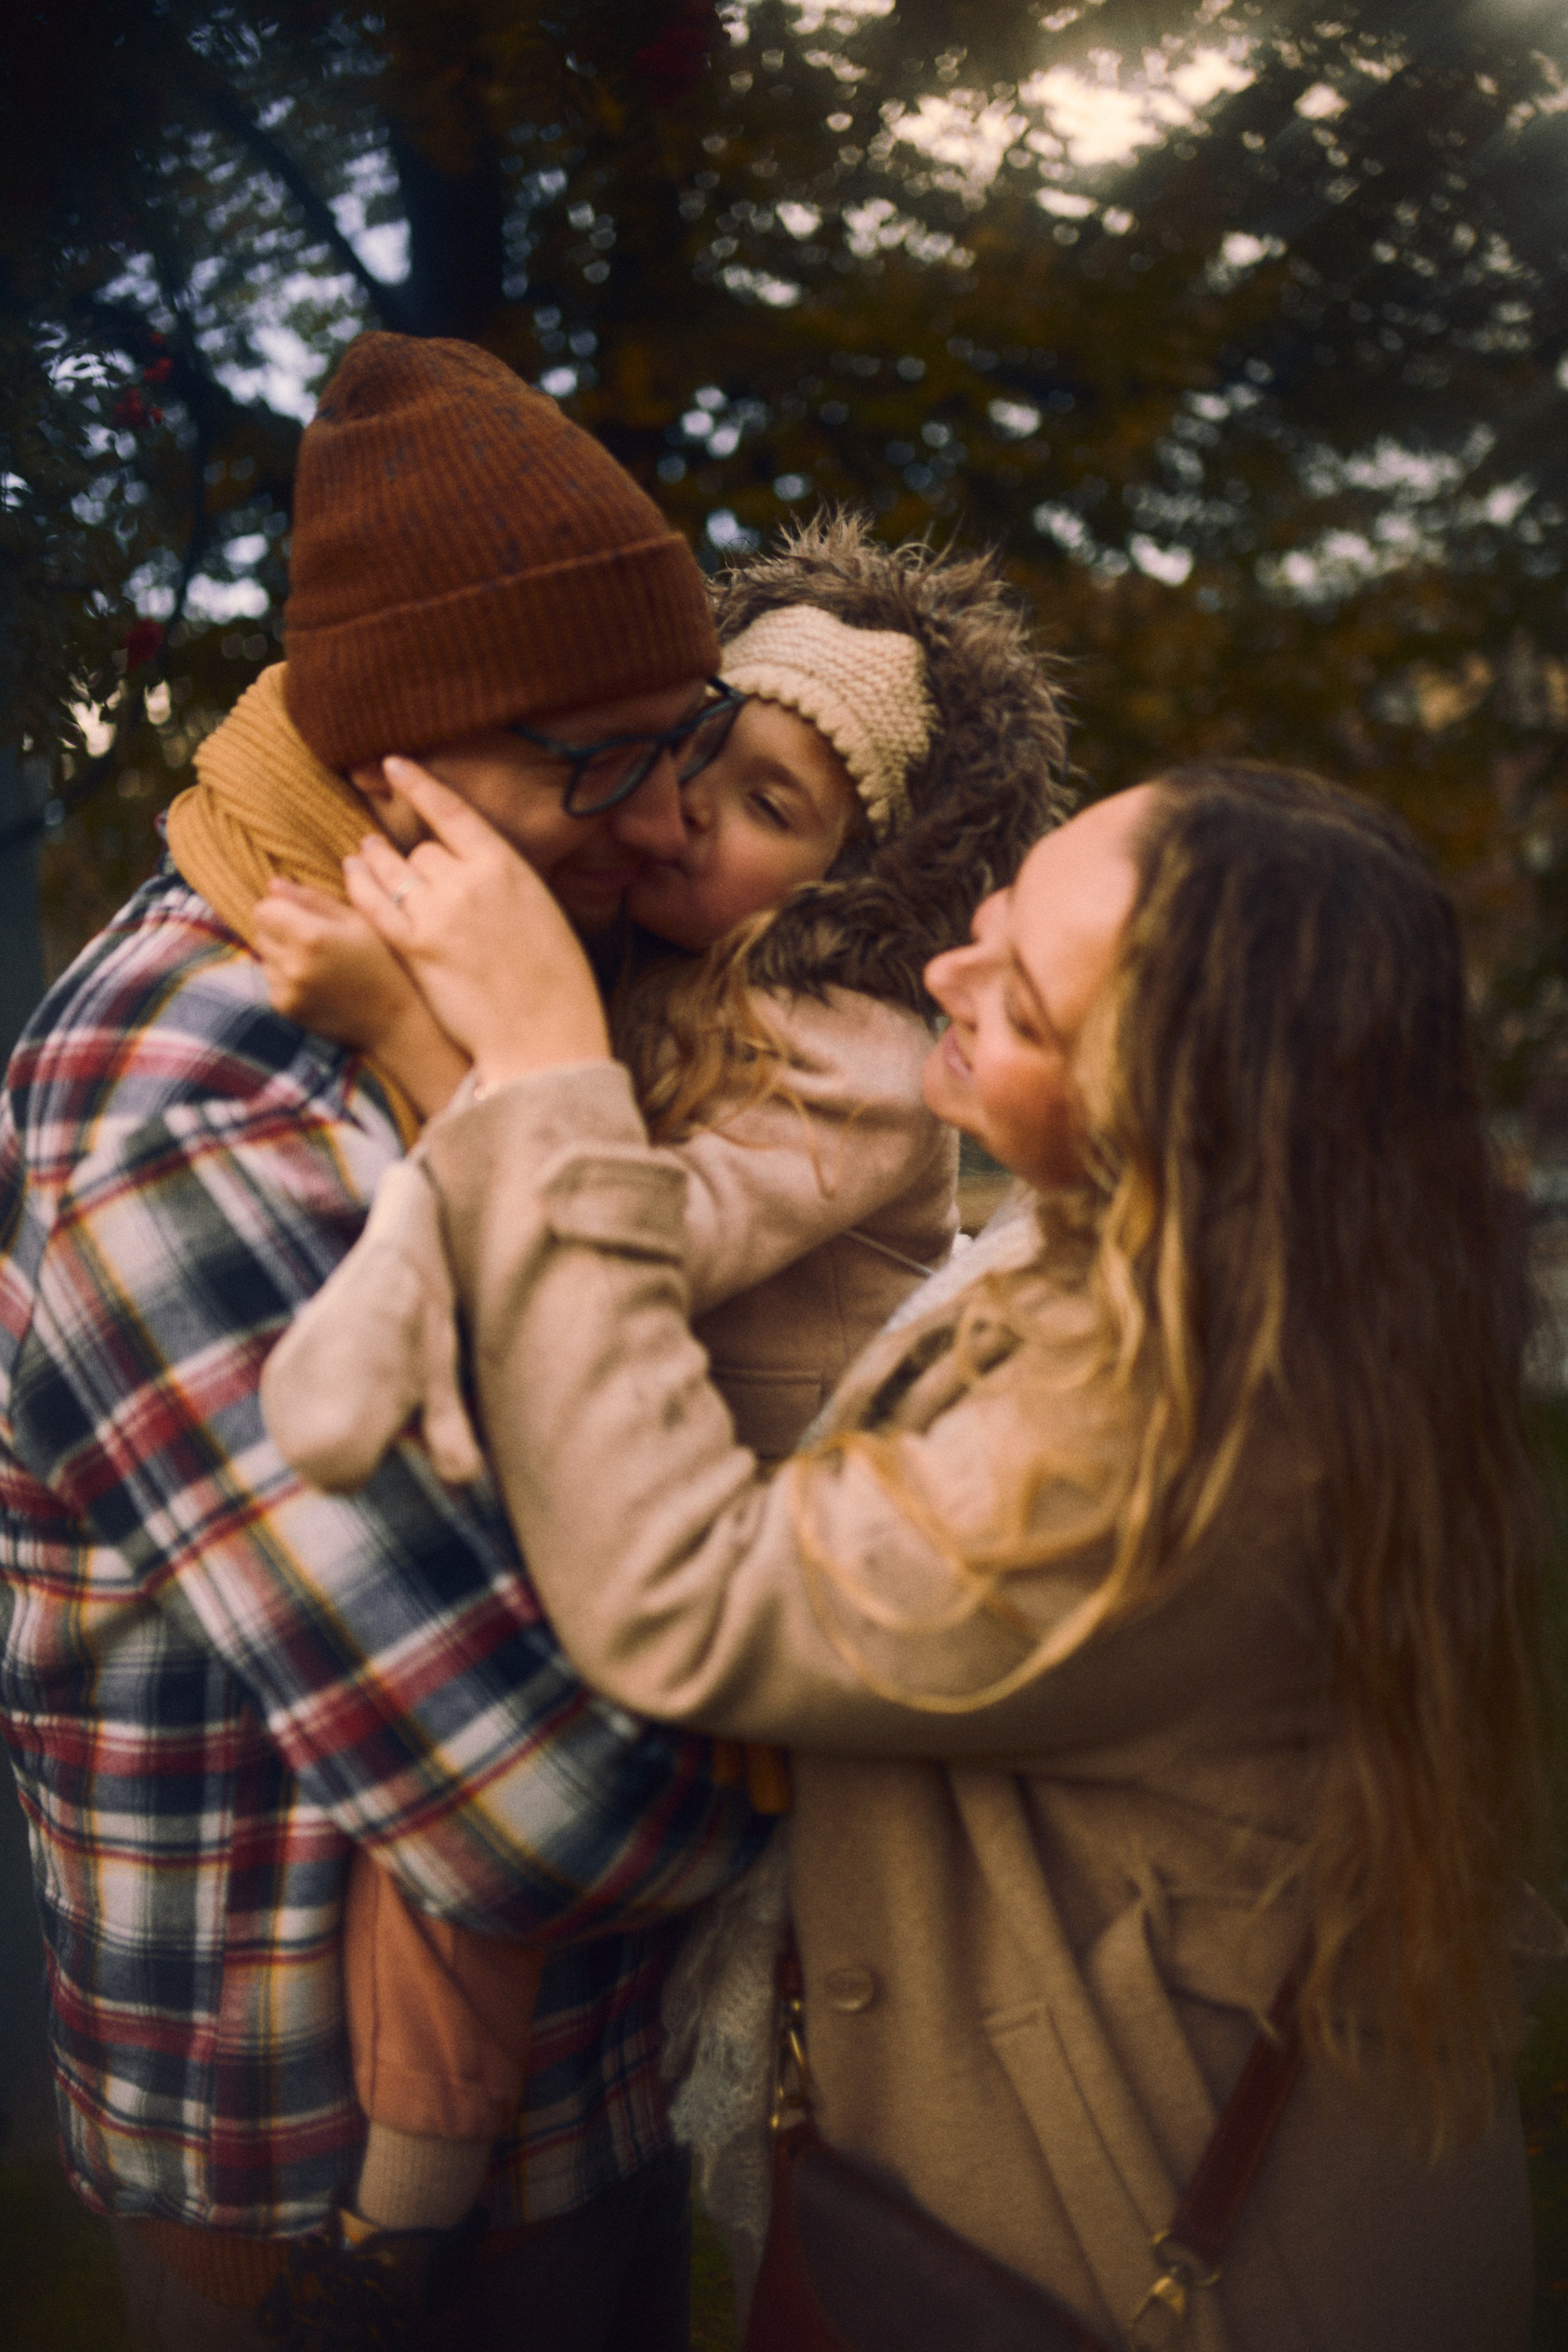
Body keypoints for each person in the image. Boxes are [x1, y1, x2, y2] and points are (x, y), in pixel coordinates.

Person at [337, 754, 1554, 2349]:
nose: (943, 972)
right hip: (1014, 2203)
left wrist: (551, 1064)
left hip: (1126, 2263)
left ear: (1189, 1114)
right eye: (994, 916)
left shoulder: (1198, 1442)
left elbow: (686, 1602)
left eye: (1033, 1009)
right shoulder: (1245, 1255)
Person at [0, 328, 777, 2352]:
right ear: (388, 771)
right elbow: (541, 1806)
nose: (660, 820)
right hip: (318, 2218)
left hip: (569, 2130)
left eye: (681, 738)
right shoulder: (204, 1092)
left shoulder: (518, 979)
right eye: (590, 764)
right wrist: (835, 1722)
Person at [252, 511, 1071, 2278]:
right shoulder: (657, 975)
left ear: (864, 884)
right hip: (600, 1462)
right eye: (702, 760)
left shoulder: (852, 1063)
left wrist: (417, 1029)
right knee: (419, 1815)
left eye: (772, 808)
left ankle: (401, 2219)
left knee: (470, 1840)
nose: (690, 812)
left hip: (755, 1555)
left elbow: (635, 1233)